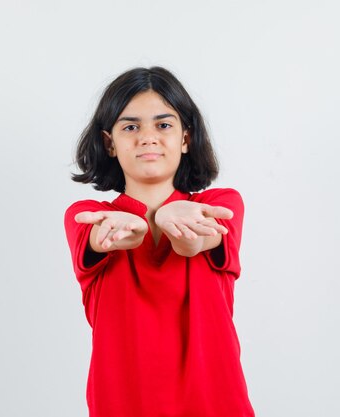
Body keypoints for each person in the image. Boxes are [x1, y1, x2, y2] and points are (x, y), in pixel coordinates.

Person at [64, 66, 255, 417]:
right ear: (110, 142)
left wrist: (173, 219)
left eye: (164, 125)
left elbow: (195, 243)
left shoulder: (221, 205)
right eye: (131, 126)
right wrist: (117, 232)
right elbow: (96, 238)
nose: (148, 137)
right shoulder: (87, 215)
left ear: (185, 138)